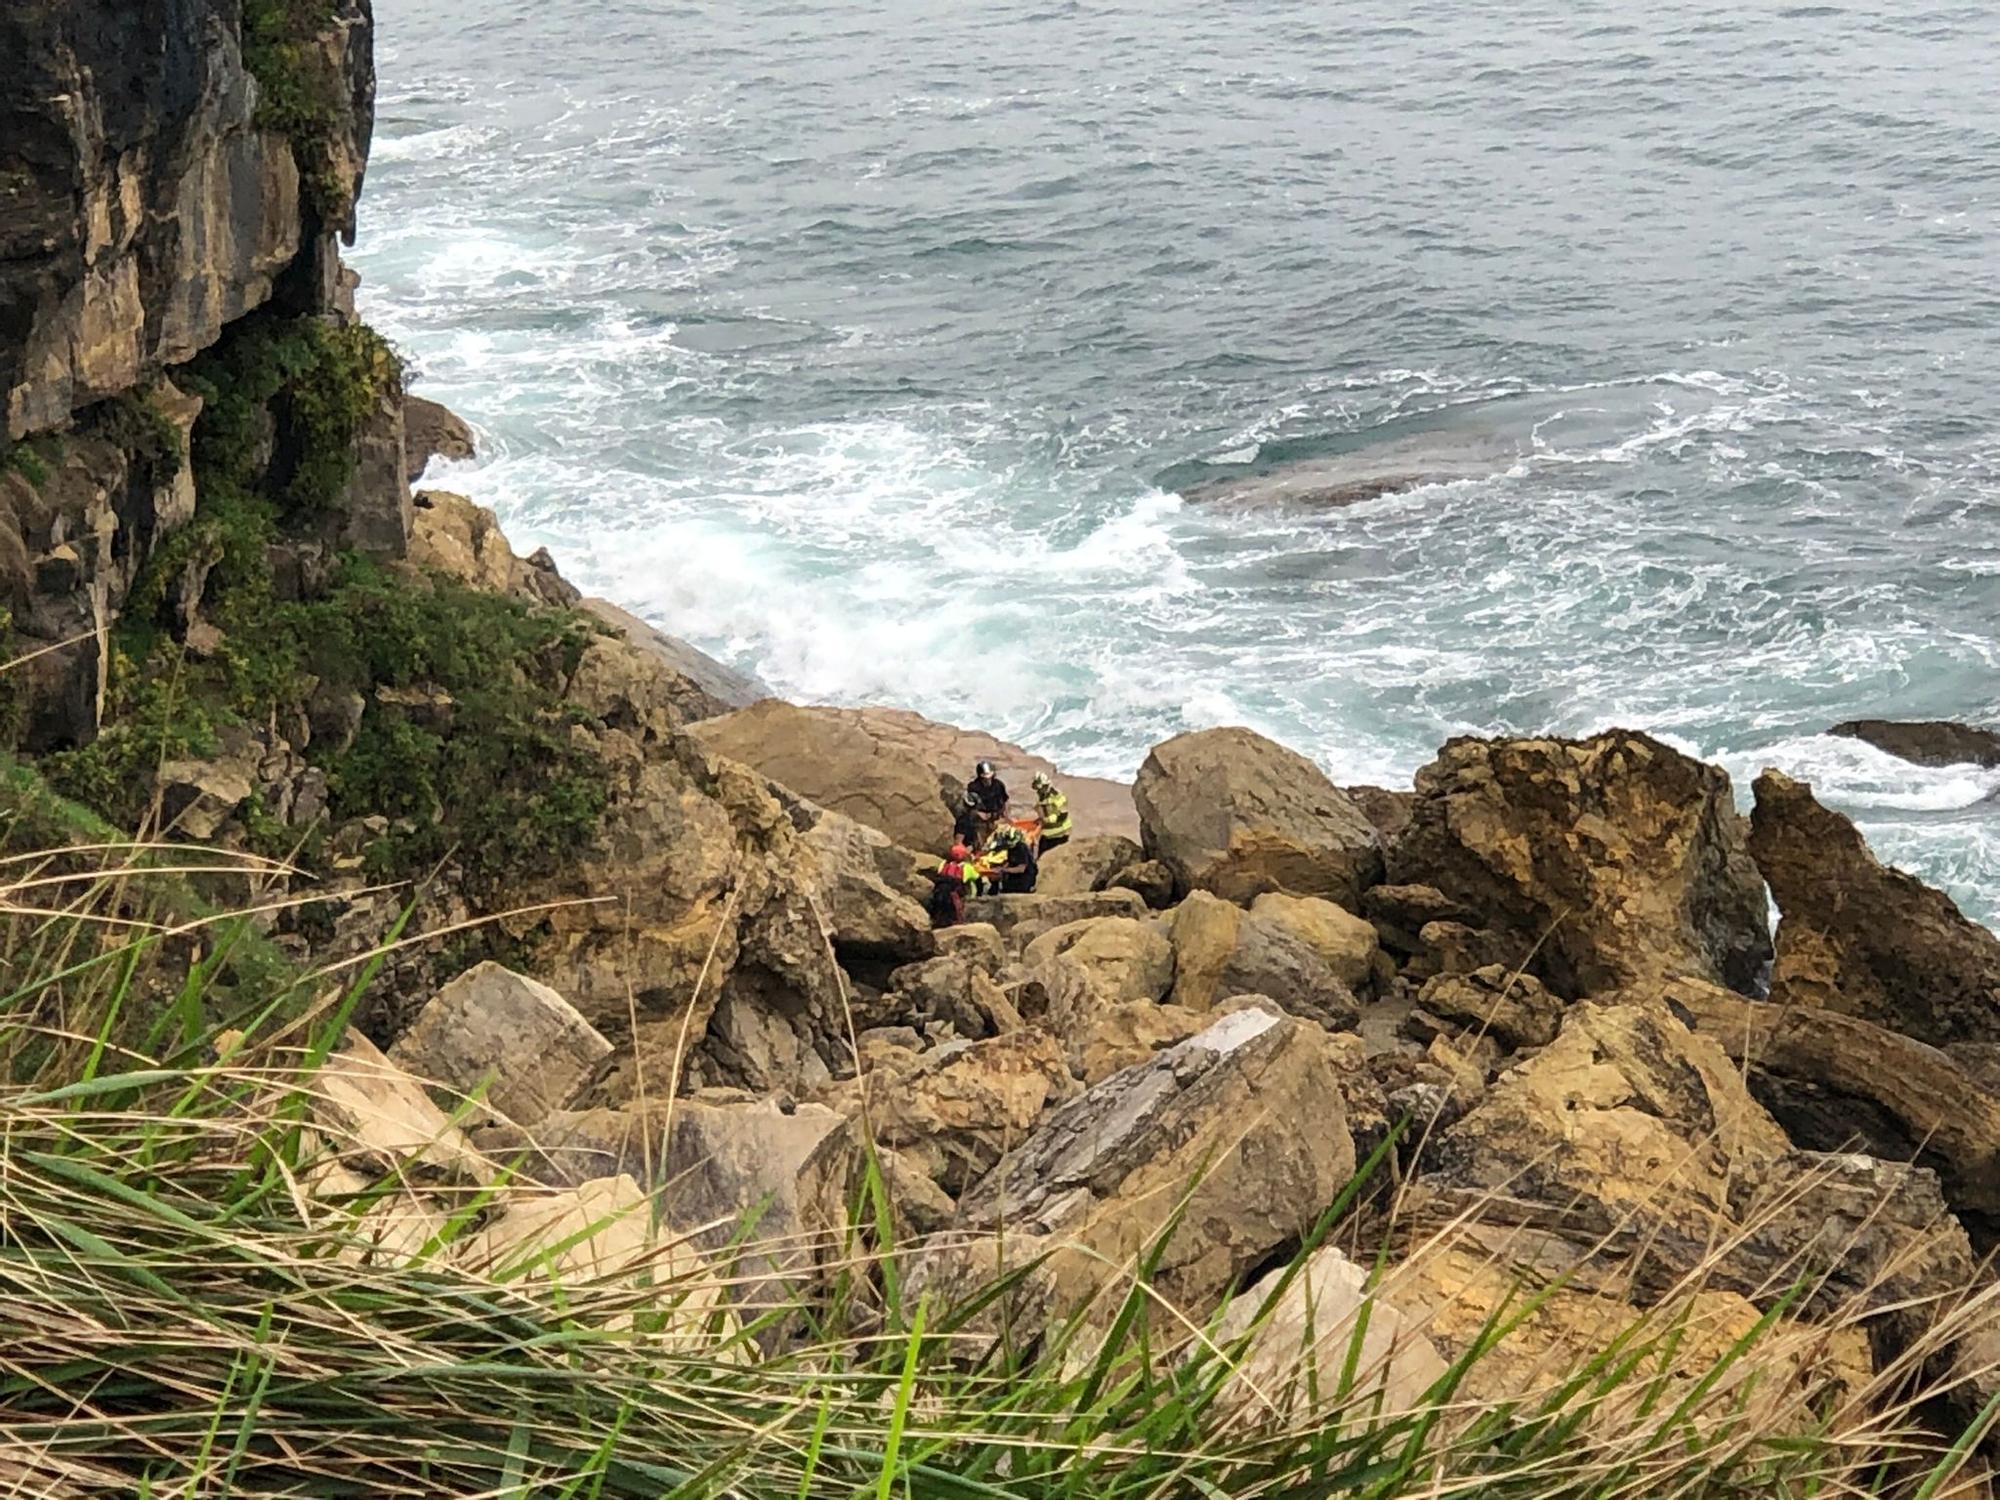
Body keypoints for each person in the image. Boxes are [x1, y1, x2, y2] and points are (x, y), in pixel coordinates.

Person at [927, 843, 978, 927]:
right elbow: (976, 877)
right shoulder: (966, 867)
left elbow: (939, 873)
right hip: (958, 892)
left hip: (941, 889)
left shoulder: (944, 864)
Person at [988, 822, 1038, 894]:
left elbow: (1021, 869)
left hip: (1024, 881)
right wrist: (999, 869)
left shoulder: (1021, 848)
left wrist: (1004, 870)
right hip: (1015, 878)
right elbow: (1010, 862)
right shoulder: (1011, 849)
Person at [1032, 772, 1072, 851]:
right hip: (1049, 833)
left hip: (1059, 833)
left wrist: (1045, 820)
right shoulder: (1043, 797)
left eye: (1039, 789)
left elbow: (1062, 815)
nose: (1038, 791)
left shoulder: (1056, 796)